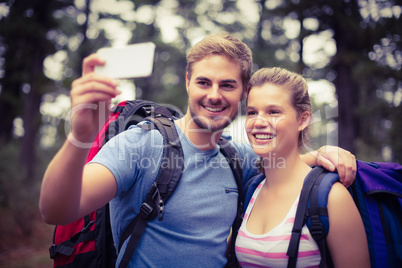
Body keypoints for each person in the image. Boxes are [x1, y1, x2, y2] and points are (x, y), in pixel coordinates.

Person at [39, 33, 357, 267]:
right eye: (204, 82)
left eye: (228, 85)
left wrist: (324, 154)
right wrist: (78, 136)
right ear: (188, 81)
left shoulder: (238, 158)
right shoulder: (141, 144)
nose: (214, 95)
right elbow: (56, 210)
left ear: (244, 92)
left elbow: (285, 166)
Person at [235, 67, 369, 267]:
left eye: (273, 112)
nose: (259, 122)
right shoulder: (251, 190)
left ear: (303, 119)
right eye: (252, 112)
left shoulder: (333, 198)